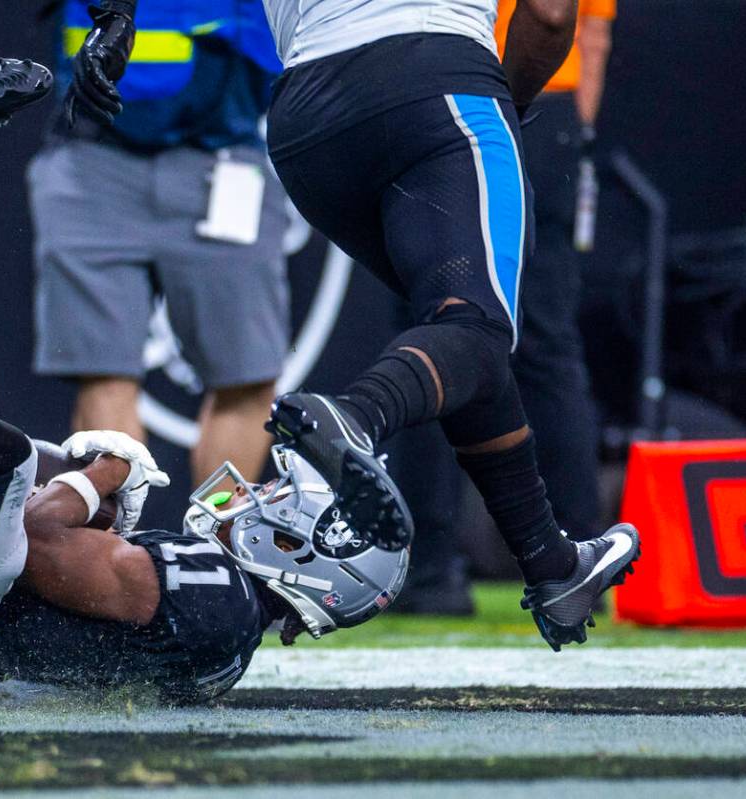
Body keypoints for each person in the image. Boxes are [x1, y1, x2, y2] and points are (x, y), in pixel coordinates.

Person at [0, 54, 407, 703]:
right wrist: (86, 492)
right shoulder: (225, 635)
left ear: (306, 548)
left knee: (7, 463)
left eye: (280, 497)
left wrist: (100, 476)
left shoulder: (220, 594)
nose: (261, 491)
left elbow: (38, 539)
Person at [211, 0, 640, 651]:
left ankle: (551, 563)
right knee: (479, 331)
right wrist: (506, 103)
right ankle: (354, 416)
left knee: (459, 333)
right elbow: (552, 16)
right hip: (437, 79)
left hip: (305, 121)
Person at [28, 0, 289, 484]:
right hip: (92, 157)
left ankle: (215, 552)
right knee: (105, 373)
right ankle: (122, 552)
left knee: (246, 378)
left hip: (225, 161)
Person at [497, 0, 615, 544]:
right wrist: (577, 136)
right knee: (547, 338)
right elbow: (590, 35)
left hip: (460, 93)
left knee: (434, 323)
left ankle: (422, 563)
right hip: (549, 106)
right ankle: (580, 547)